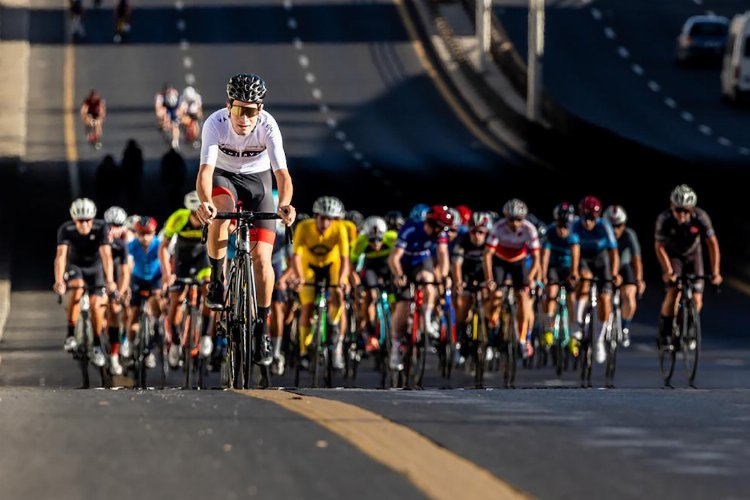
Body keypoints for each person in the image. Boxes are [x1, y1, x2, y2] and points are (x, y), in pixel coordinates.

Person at [193, 72, 295, 368]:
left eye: (251, 111)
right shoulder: (215, 124)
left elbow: (283, 176)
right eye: (238, 109)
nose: (244, 118)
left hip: (258, 182)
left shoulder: (268, 126)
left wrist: (285, 205)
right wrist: (205, 204)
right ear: (228, 106)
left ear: (259, 110)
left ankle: (261, 327)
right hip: (225, 177)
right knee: (220, 212)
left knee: (263, 260)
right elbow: (205, 173)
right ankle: (216, 278)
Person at [654, 184, 722, 346]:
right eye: (678, 210)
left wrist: (716, 272)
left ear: (692, 209)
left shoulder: (701, 217)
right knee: (674, 290)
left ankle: (689, 328)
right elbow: (659, 247)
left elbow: (712, 244)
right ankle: (666, 331)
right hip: (673, 255)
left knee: (697, 299)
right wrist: (668, 270)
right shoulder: (664, 219)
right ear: (672, 206)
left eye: (686, 210)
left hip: (693, 255)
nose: (682, 214)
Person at [53, 198, 116, 369]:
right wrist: (59, 281)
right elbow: (61, 256)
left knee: (96, 305)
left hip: (95, 269)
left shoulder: (101, 227)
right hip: (76, 267)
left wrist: (110, 281)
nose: (85, 225)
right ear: (74, 220)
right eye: (80, 221)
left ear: (93, 218)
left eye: (88, 220)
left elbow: (106, 256)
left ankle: (96, 344)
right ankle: (70, 333)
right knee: (76, 291)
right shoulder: (66, 229)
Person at [388, 205, 453, 370]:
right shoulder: (410, 229)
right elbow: (394, 258)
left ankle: (427, 318)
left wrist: (444, 276)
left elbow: (443, 255)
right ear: (431, 223)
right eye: (439, 228)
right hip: (403, 263)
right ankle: (395, 346)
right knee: (402, 307)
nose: (441, 232)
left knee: (429, 281)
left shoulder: (440, 232)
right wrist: (398, 275)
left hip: (420, 261)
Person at [291, 196, 349, 368]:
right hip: (309, 266)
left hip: (332, 264)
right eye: (322, 218)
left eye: (329, 219)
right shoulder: (304, 227)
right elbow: (296, 256)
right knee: (307, 307)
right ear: (315, 216)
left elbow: (345, 259)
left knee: (338, 291)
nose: (325, 223)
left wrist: (342, 279)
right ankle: (303, 350)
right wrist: (299, 277)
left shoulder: (340, 229)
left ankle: (334, 323)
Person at [160, 191, 214, 368]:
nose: (197, 217)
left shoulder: (210, 218)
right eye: (194, 214)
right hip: (182, 258)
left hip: (202, 257)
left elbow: (219, 246)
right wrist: (168, 274)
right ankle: (175, 342)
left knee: (209, 288)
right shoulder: (178, 218)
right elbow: (163, 247)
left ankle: (205, 334)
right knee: (176, 299)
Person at [484, 199, 540, 359]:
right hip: (500, 261)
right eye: (511, 219)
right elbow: (487, 255)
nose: (515, 223)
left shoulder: (530, 229)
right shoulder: (498, 228)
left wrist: (530, 278)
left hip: (518, 263)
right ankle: (492, 328)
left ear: (524, 218)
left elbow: (536, 258)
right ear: (505, 218)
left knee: (523, 296)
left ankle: (522, 340)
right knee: (496, 295)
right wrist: (490, 279)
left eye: (519, 219)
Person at [569, 196, 620, 364]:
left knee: (605, 298)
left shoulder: (604, 225)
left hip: (600, 258)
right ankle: (577, 322)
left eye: (592, 219)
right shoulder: (575, 225)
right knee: (584, 280)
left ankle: (598, 341)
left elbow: (613, 252)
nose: (589, 223)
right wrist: (575, 271)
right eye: (586, 218)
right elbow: (575, 250)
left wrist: (614, 274)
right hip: (583, 258)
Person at [350, 215, 397, 352]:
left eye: (379, 240)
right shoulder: (360, 242)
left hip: (387, 266)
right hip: (370, 268)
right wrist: (357, 285)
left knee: (394, 299)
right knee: (369, 295)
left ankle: (395, 328)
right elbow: (351, 266)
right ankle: (370, 331)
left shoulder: (393, 237)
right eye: (372, 241)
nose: (376, 245)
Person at [126, 216, 168, 369]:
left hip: (155, 278)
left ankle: (157, 325)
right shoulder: (131, 245)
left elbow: (166, 263)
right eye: (141, 234)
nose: (145, 238)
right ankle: (130, 346)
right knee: (134, 314)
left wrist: (165, 282)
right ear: (136, 233)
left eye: (148, 234)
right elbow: (127, 264)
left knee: (157, 300)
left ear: (154, 233)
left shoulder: (159, 244)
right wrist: (126, 287)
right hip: (137, 279)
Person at [451, 211, 492, 363]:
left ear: (486, 232)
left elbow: (495, 264)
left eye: (480, 232)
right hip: (467, 274)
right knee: (462, 303)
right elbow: (456, 264)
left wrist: (491, 282)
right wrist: (459, 282)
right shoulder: (462, 242)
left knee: (492, 302)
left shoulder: (491, 242)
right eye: (473, 231)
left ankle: (488, 341)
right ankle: (461, 338)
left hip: (484, 275)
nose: (477, 235)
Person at [541, 202, 578, 353]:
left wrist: (574, 273)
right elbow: (545, 257)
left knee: (572, 298)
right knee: (551, 292)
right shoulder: (550, 232)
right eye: (560, 226)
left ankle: (574, 333)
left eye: (566, 227)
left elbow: (576, 255)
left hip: (569, 266)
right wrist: (543, 276)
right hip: (554, 266)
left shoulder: (575, 231)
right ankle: (549, 328)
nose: (563, 230)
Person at [605, 205, 644, 348]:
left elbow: (636, 259)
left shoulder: (629, 235)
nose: (615, 230)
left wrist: (639, 279)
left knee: (629, 295)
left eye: (618, 226)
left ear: (624, 224)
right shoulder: (602, 233)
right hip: (606, 268)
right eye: (611, 226)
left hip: (623, 266)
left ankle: (625, 327)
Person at [103, 206, 131, 375]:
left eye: (118, 225)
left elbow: (125, 272)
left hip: (117, 277)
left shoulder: (123, 244)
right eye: (110, 226)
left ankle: (117, 349)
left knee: (117, 308)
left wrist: (120, 292)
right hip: (100, 278)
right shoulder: (100, 239)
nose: (114, 230)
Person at [155, 83, 182, 149]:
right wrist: (161, 117)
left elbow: (181, 107)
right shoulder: (160, 96)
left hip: (173, 109)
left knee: (175, 125)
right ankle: (164, 125)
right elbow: (158, 108)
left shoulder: (176, 94)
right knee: (162, 114)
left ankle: (175, 141)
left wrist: (179, 114)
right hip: (165, 108)